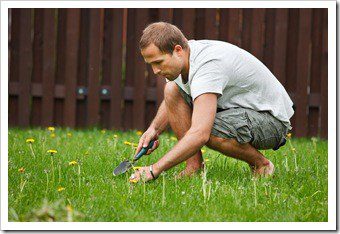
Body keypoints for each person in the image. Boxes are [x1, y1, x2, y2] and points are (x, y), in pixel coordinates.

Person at [129, 22, 294, 183]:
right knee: (171, 90)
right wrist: (154, 129)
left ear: (177, 50)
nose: (155, 70)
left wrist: (154, 169)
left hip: (271, 121)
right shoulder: (185, 57)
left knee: (211, 131)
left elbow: (200, 134)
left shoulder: (207, 67)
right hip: (239, 111)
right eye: (151, 64)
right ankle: (194, 168)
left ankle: (261, 165)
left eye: (158, 62)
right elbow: (174, 97)